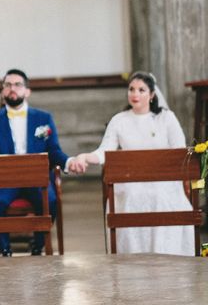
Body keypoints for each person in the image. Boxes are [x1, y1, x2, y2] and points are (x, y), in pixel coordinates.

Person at [72, 71, 193, 256]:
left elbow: (179, 151)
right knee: (130, 195)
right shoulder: (119, 120)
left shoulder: (166, 118)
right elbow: (105, 151)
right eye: (131, 89)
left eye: (141, 90)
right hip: (131, 180)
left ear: (152, 95)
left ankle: (165, 253)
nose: (135, 94)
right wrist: (85, 157)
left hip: (162, 180)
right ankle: (133, 256)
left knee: (162, 197)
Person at [0, 69, 82, 256]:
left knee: (51, 199)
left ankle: (38, 245)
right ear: (2, 91)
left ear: (27, 91)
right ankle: (4, 248)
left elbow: (54, 150)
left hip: (36, 179)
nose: (12, 89)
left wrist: (68, 161)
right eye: (7, 85)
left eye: (17, 85)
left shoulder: (43, 118)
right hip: (4, 181)